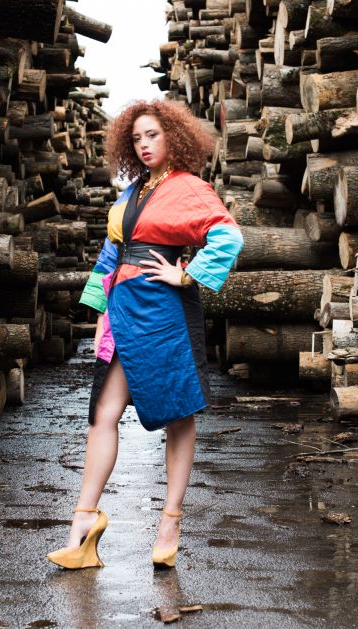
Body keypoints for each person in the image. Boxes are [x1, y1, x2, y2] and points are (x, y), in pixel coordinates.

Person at [47, 99, 243, 570]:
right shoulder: (130, 193)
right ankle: (82, 525)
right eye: (136, 138)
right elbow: (109, 253)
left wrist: (187, 275)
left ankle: (170, 523)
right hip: (121, 311)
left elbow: (228, 236)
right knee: (103, 414)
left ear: (174, 136)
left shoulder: (190, 187)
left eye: (152, 135)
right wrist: (99, 310)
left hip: (163, 313)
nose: (144, 145)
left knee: (178, 414)